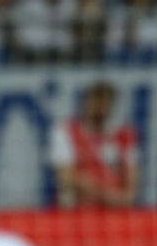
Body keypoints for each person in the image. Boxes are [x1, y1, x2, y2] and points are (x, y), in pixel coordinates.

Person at [48, 80, 139, 208]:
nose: (101, 107)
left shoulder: (125, 136)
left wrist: (90, 187)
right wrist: (111, 196)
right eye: (97, 100)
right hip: (78, 212)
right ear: (86, 102)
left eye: (106, 102)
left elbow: (131, 189)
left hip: (115, 213)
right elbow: (66, 178)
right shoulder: (66, 132)